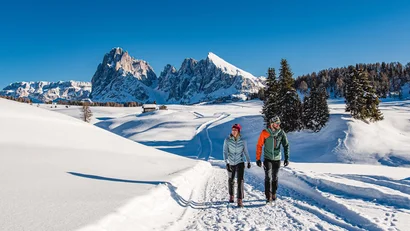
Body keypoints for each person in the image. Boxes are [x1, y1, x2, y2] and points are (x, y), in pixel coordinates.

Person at [256, 116, 289, 203]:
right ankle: (268, 196)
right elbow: (259, 145)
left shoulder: (281, 133)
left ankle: (274, 193)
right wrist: (258, 159)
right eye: (277, 123)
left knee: (275, 177)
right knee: (268, 177)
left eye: (279, 123)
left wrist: (286, 158)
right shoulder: (265, 133)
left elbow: (286, 145)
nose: (278, 124)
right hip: (268, 159)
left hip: (277, 159)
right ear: (272, 124)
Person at [223, 123, 251, 207]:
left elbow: (246, 151)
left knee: (240, 180)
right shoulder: (227, 140)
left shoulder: (243, 141)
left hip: (240, 162)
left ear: (239, 131)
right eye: (233, 130)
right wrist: (227, 162)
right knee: (231, 180)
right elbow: (225, 152)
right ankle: (231, 195)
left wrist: (248, 161)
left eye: (235, 130)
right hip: (230, 162)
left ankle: (239, 199)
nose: (234, 131)